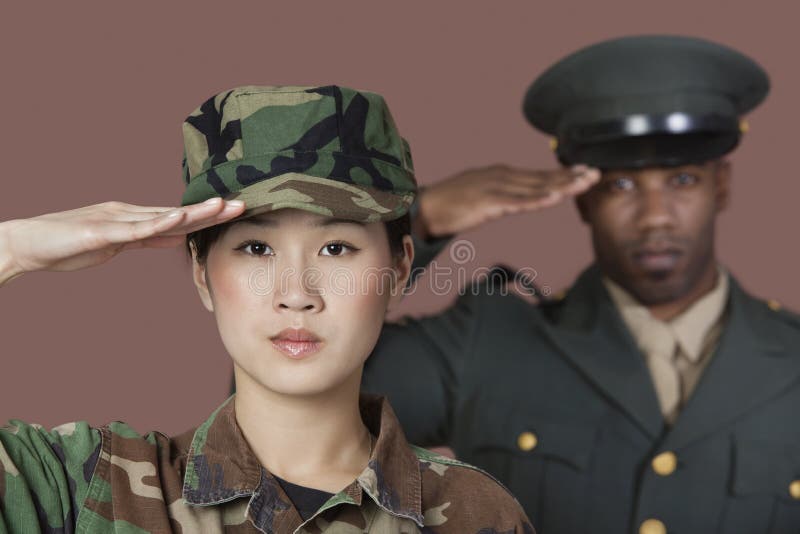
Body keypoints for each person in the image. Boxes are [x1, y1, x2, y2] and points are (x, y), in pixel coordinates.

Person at [0, 85, 534, 533]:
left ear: (397, 270)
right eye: (256, 248)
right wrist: (12, 250)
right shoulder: (90, 488)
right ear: (202, 274)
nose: (296, 293)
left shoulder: (475, 514)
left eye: (336, 248)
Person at [362, 36, 800, 534]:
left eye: (682, 181)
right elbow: (278, 400)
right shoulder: (483, 342)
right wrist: (417, 224)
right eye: (622, 185)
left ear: (721, 186)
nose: (655, 217)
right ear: (583, 200)